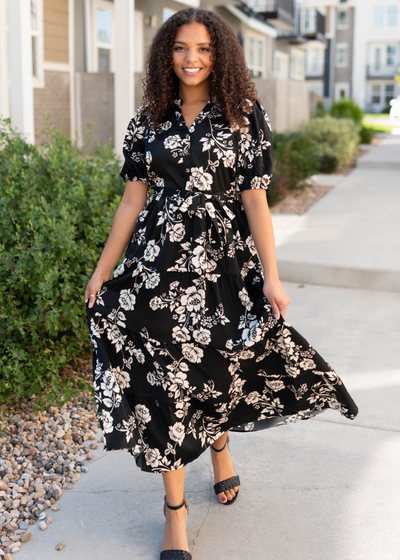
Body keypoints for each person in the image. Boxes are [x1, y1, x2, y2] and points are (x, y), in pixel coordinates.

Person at [85, 8, 358, 560]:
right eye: (181, 47)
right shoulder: (148, 120)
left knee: (218, 365)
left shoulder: (243, 114)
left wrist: (273, 278)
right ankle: (175, 513)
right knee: (165, 380)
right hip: (156, 268)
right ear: (167, 53)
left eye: (205, 49)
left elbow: (256, 201)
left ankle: (220, 446)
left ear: (221, 55)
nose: (192, 58)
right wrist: (102, 270)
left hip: (223, 269)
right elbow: (132, 202)